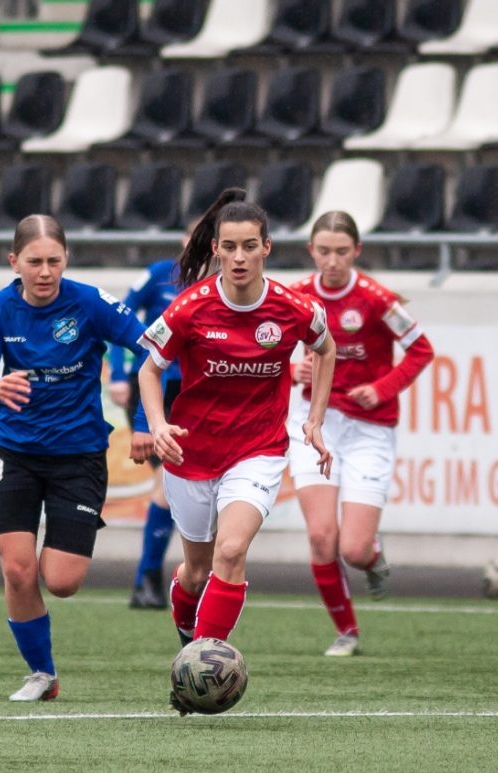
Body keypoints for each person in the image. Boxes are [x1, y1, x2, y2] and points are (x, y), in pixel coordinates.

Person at [135, 188, 336, 712]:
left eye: (250, 246)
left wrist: (313, 418)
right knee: (196, 571)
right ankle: (190, 643)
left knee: (231, 551)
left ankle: (196, 674)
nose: (240, 257)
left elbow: (326, 345)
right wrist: (157, 424)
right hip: (190, 454)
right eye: (230, 247)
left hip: (258, 451)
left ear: (267, 247)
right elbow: (150, 368)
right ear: (217, 250)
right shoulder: (191, 307)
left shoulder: (293, 309)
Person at [0, 214, 151, 702]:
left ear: (66, 260)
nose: (45, 271)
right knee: (17, 569)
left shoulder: (90, 303)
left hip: (79, 456)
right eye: (34, 262)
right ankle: (42, 674)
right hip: (14, 451)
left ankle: (43, 660)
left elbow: (154, 348)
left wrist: (145, 422)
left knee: (62, 582)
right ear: (14, 262)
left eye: (54, 261)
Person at [288, 211, 435, 657]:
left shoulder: (375, 299)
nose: (332, 261)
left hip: (368, 429)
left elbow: (421, 350)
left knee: (352, 549)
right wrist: (291, 369)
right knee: (320, 537)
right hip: (314, 423)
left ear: (357, 252)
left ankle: (372, 554)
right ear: (311, 251)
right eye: (324, 251)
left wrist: (382, 387)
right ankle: (347, 632)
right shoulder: (295, 296)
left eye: (341, 252)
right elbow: (261, 349)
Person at [107, 252, 184, 610]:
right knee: (168, 481)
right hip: (154, 390)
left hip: (195, 394)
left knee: (178, 485)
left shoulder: (224, 282)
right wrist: (120, 375)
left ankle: (148, 581)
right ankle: (148, 578)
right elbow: (120, 315)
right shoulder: (159, 273)